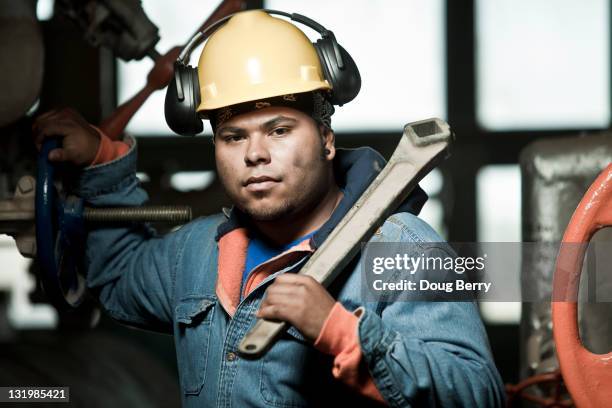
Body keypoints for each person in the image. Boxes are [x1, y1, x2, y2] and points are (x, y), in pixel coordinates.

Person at [33, 9, 505, 408]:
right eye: (233, 136)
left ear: (325, 140)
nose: (254, 154)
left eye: (279, 130)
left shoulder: (405, 248)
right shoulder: (196, 254)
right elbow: (117, 277)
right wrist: (103, 160)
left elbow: (479, 392)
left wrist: (343, 333)